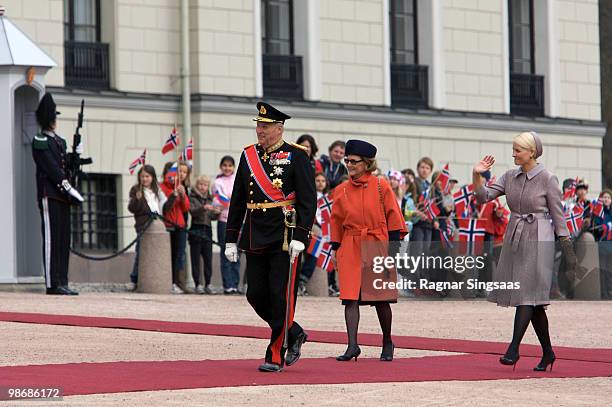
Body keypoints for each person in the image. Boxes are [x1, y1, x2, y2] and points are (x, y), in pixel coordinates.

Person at [472, 131, 577, 372]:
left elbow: (559, 217)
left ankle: (513, 349)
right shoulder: (510, 176)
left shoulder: (548, 179)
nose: (513, 154)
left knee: (527, 294)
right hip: (516, 238)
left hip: (540, 239)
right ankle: (548, 353)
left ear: (531, 152)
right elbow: (483, 197)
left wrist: (568, 251)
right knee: (535, 303)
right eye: (514, 149)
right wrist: (477, 174)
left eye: (518, 150)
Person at [224, 102, 316, 372]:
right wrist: (231, 238)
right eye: (257, 125)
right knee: (255, 294)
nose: (259, 130)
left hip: (284, 236)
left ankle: (275, 352)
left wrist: (301, 235)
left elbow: (309, 200)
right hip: (254, 232)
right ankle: (294, 330)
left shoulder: (296, 155)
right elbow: (238, 200)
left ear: (279, 128)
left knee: (280, 295)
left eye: (264, 126)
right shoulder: (248, 155)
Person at [330, 140, 407, 362]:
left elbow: (394, 217)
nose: (349, 165)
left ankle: (387, 341)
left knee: (380, 299)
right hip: (351, 244)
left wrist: (391, 253)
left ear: (367, 163)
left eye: (353, 161)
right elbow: (335, 222)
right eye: (347, 161)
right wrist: (335, 248)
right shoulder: (341, 190)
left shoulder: (382, 186)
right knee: (349, 297)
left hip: (377, 244)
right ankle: (352, 345)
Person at [32, 93, 83, 295]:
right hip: (50, 193)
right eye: (53, 117)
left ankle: (62, 280)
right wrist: (66, 186)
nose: (55, 121)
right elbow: (51, 168)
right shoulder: (40, 140)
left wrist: (77, 152)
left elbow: (67, 164)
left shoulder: (59, 141)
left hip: (62, 195)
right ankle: (52, 283)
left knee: (63, 238)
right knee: (51, 239)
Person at [128, 165, 167, 288]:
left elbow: (164, 206)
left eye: (147, 176)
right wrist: (137, 200)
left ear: (152, 177)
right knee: (141, 251)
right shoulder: (136, 190)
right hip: (143, 225)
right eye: (142, 176)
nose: (144, 179)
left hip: (156, 224)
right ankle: (135, 278)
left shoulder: (157, 190)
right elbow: (132, 208)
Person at [212, 155, 242, 294]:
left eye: (230, 165)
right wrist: (229, 199)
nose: (227, 168)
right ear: (220, 166)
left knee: (237, 253)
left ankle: (236, 284)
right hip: (224, 221)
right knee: (226, 252)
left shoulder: (238, 179)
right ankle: (227, 285)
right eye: (225, 165)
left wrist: (232, 198)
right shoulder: (217, 183)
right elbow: (218, 202)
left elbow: (242, 197)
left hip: (239, 221)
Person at [160, 161, 191, 294]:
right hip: (169, 225)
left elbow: (186, 208)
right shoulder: (162, 187)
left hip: (180, 225)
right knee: (171, 255)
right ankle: (171, 282)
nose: (179, 175)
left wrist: (183, 195)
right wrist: (173, 195)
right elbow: (166, 208)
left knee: (180, 255)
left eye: (183, 172)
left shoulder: (182, 186)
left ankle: (179, 282)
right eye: (177, 172)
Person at [189, 175, 220, 294]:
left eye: (205, 185)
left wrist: (216, 213)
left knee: (208, 258)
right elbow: (192, 211)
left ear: (208, 187)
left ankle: (208, 283)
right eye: (200, 184)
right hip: (196, 229)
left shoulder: (210, 199)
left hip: (207, 230)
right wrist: (203, 208)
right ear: (197, 186)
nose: (202, 187)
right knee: (195, 258)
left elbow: (211, 217)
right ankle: (197, 283)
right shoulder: (192, 197)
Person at [594, 189, 612, 298]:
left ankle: (610, 291)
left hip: (611, 244)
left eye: (608, 197)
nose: (606, 199)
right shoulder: (599, 212)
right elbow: (597, 227)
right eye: (604, 197)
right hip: (602, 244)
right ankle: (604, 292)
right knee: (603, 270)